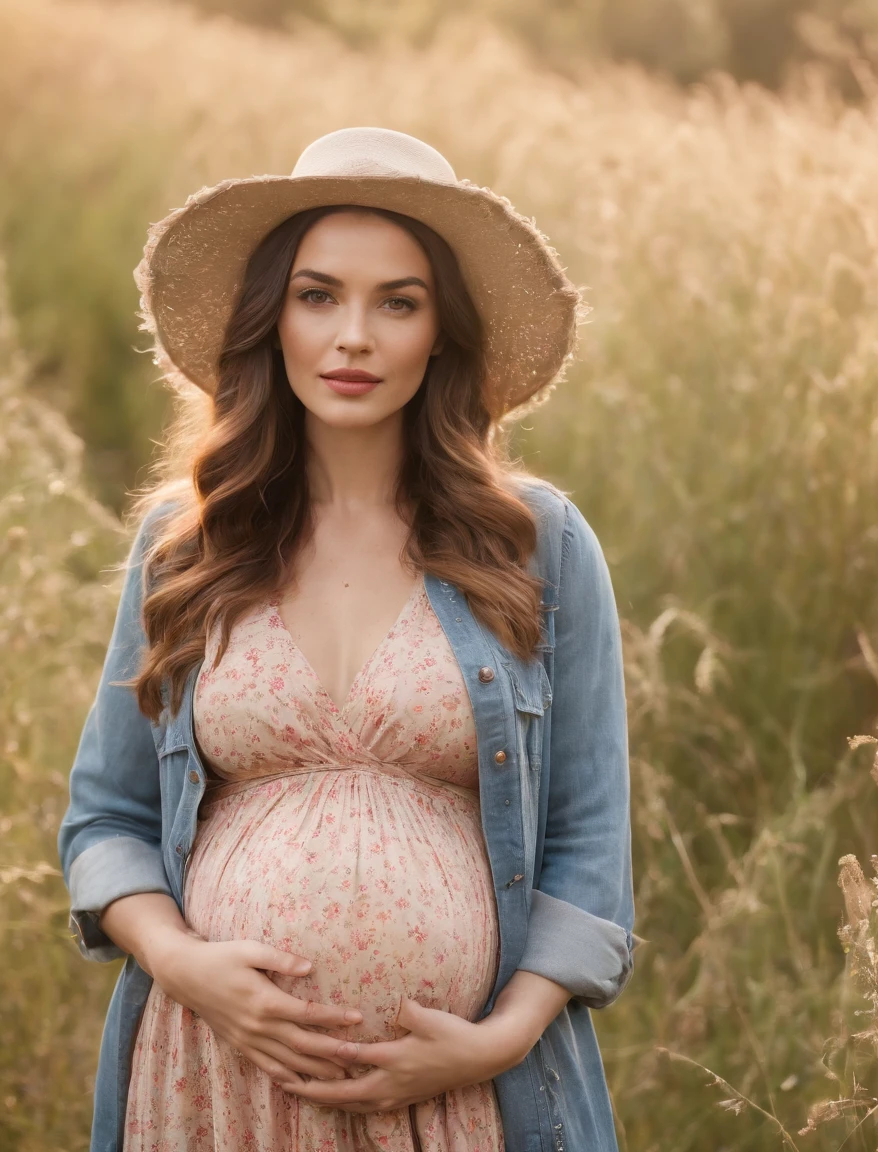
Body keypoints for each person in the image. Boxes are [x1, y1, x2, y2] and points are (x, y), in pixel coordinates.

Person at [57, 126, 640, 1152]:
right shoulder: (185, 542)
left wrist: (496, 1041)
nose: (353, 337)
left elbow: (588, 845)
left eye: (398, 302)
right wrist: (187, 967)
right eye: (317, 295)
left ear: (441, 332)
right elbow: (105, 819)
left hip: (459, 1102)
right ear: (270, 318)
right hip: (209, 1077)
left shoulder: (535, 541)